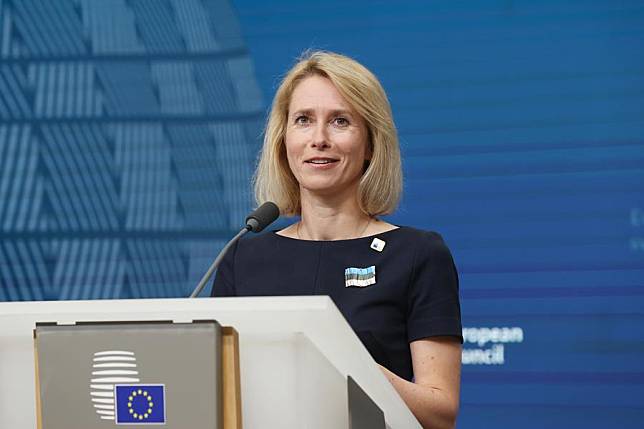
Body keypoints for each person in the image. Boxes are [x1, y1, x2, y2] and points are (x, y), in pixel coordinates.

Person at [212, 51, 462, 429]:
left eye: (340, 121)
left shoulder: (418, 254)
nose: (319, 139)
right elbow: (216, 390)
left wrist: (348, 364)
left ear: (371, 144)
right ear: (283, 141)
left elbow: (440, 413)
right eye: (303, 121)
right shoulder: (243, 255)